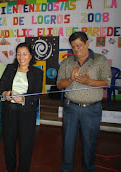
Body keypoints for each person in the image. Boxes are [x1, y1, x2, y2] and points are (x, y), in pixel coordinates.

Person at [57, 31, 112, 172]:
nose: (76, 49)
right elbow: (59, 85)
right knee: (68, 143)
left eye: (79, 45)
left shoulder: (100, 60)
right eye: (73, 46)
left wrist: (90, 81)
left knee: (89, 143)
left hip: (92, 109)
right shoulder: (67, 62)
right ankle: (66, 169)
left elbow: (107, 82)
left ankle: (88, 168)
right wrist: (70, 79)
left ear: (87, 43)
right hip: (71, 108)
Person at [0, 42, 43, 172]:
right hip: (9, 112)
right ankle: (10, 169)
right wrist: (5, 94)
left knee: (26, 145)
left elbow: (37, 94)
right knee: (9, 144)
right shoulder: (10, 68)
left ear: (30, 56)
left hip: (27, 113)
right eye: (18, 54)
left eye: (24, 54)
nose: (21, 57)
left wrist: (23, 98)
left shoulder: (37, 73)